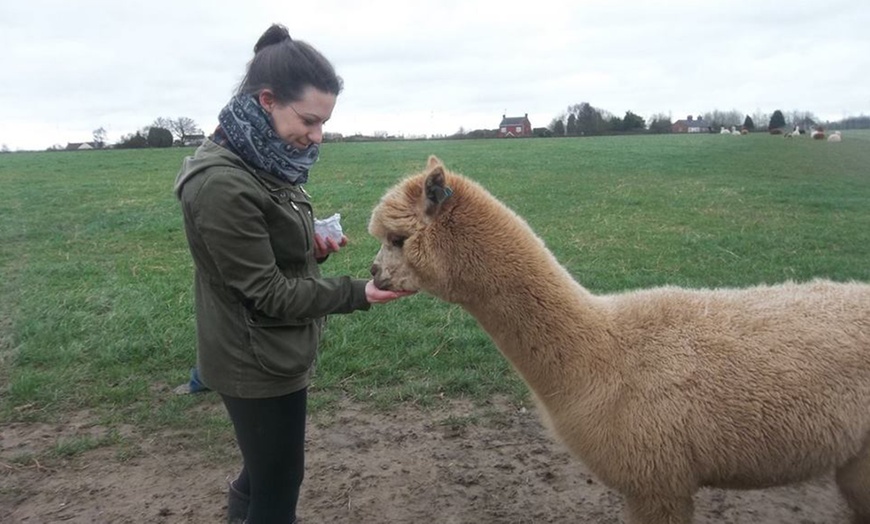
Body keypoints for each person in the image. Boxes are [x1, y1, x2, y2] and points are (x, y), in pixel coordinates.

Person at [173, 24, 412, 524]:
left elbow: (268, 255)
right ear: (267, 100)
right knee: (279, 483)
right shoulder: (222, 183)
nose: (318, 136)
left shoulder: (263, 161)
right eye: (309, 119)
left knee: (263, 473)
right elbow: (265, 292)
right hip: (253, 357)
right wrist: (359, 293)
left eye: (323, 122)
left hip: (272, 347)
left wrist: (313, 250)